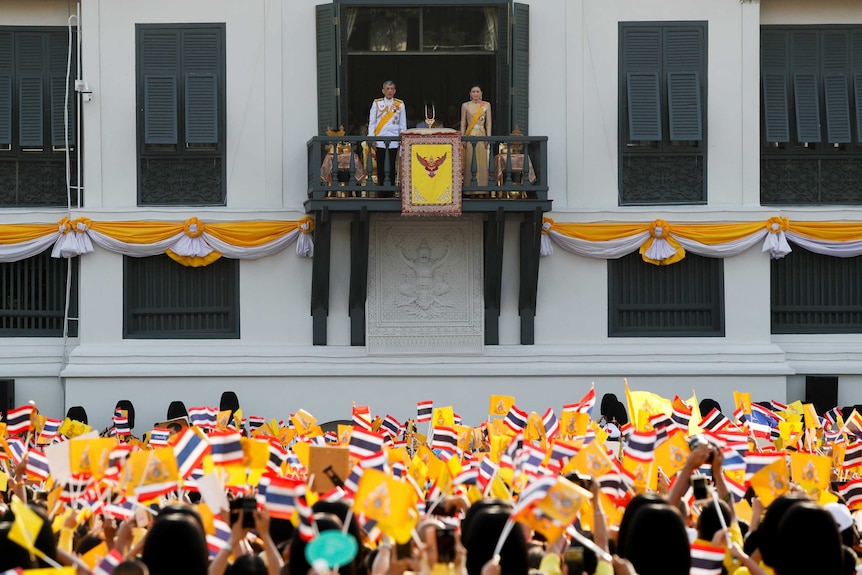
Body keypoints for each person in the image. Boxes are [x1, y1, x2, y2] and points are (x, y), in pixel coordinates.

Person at [368, 81, 406, 188]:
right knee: (380, 165)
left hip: (394, 140)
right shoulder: (377, 103)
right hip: (380, 139)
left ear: (395, 91)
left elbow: (402, 124)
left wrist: (401, 140)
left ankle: (391, 189)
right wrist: (372, 138)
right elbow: (372, 122)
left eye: (392, 89)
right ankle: (381, 190)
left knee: (392, 166)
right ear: (383, 91)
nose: (390, 91)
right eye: (388, 89)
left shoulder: (400, 104)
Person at [460, 85, 492, 188]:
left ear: (481, 93)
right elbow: (463, 123)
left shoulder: (486, 105)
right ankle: (470, 189)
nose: (475, 94)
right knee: (470, 160)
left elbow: (488, 123)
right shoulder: (465, 105)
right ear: (470, 94)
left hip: (482, 134)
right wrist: (463, 138)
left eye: (477, 91)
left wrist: (488, 137)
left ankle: (482, 188)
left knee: (482, 161)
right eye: (473, 91)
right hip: (470, 135)